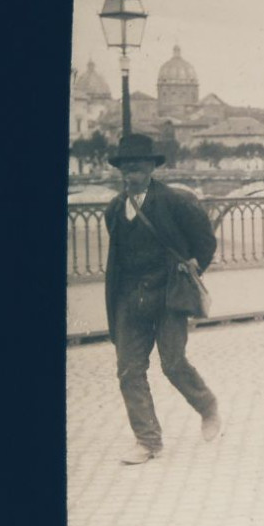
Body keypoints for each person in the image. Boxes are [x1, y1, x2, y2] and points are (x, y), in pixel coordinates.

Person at [103, 133, 222, 465]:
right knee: (128, 371)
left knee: (172, 363)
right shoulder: (114, 209)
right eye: (126, 170)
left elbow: (205, 242)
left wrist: (195, 265)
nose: (131, 176)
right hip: (129, 298)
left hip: (168, 295)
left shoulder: (175, 201)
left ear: (151, 169)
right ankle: (148, 440)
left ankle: (207, 406)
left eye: (138, 169)